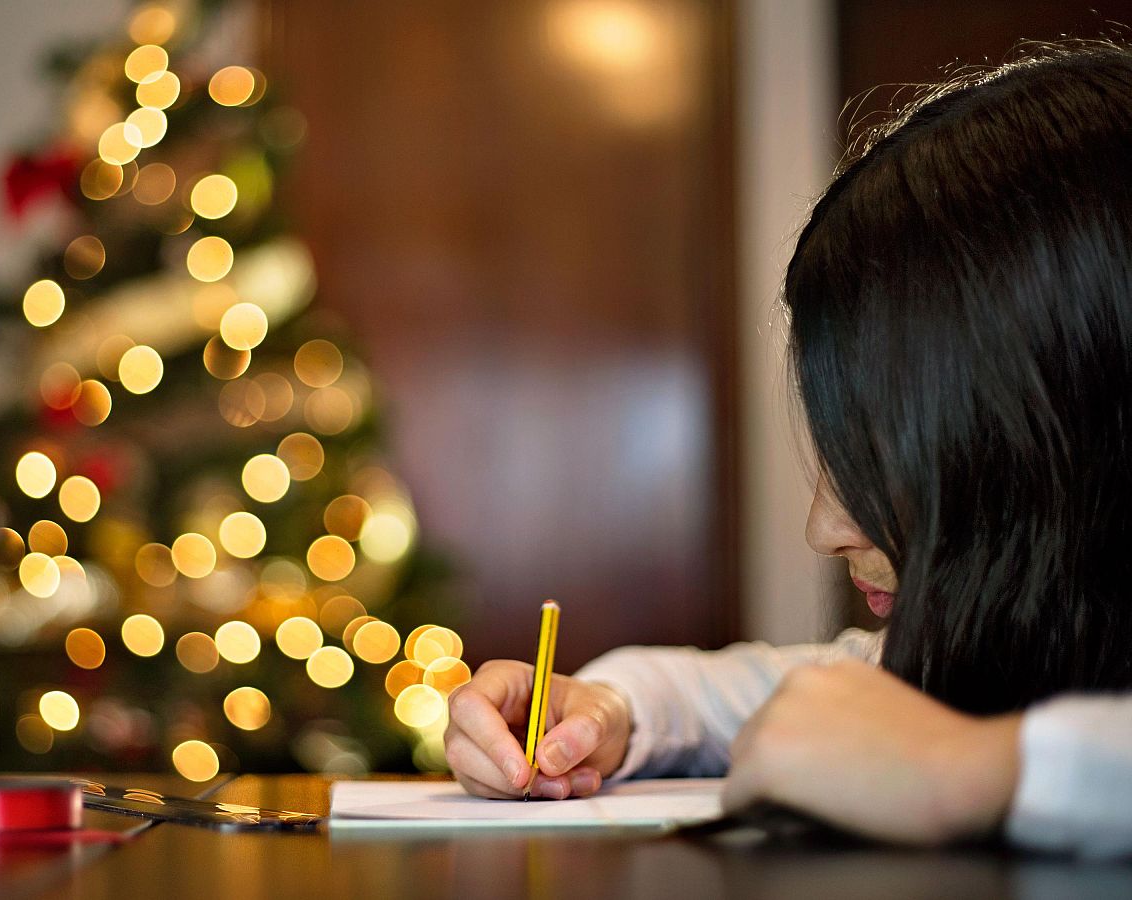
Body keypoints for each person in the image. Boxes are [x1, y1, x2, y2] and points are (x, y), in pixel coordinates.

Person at [444, 44, 1132, 859]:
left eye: (882, 451)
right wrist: (605, 709)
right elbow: (772, 696)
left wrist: (973, 771)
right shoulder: (1003, 655)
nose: (824, 528)